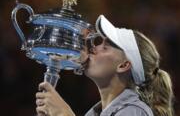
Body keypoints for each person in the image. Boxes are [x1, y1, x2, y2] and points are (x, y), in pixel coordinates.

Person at [36, 15, 174, 116]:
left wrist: (64, 114)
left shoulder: (134, 111)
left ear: (124, 65)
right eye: (99, 42)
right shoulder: (96, 113)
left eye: (105, 47)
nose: (94, 47)